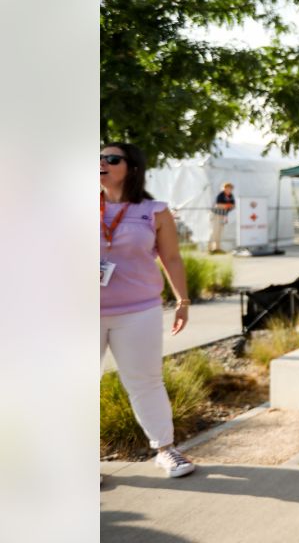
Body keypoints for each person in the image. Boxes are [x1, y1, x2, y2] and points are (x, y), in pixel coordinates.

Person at [100, 142, 196, 478]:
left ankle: (166, 450)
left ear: (132, 167)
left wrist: (182, 301)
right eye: (97, 158)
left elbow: (171, 258)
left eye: (111, 158)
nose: (102, 163)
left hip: (138, 311)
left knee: (146, 381)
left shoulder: (154, 210)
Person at [209, 182, 235, 253]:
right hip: (216, 214)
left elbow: (233, 205)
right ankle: (210, 248)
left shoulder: (231, 196)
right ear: (224, 188)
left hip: (223, 215)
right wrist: (227, 205)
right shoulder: (221, 195)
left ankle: (217, 248)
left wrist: (227, 206)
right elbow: (218, 205)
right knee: (215, 231)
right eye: (227, 188)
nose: (228, 189)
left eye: (230, 188)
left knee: (220, 231)